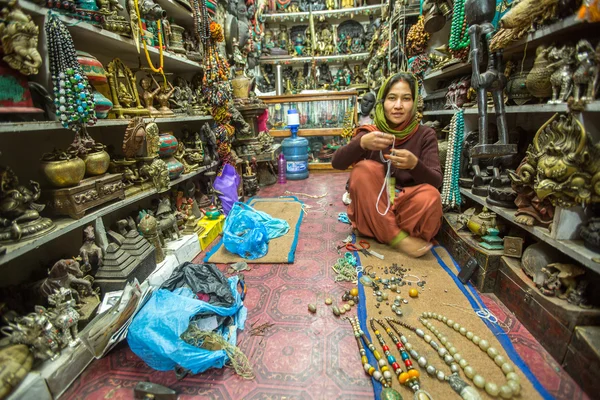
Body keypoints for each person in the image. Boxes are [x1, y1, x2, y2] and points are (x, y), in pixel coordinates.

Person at [332, 72, 442, 258]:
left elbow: (436, 181)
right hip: (373, 208)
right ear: (382, 102)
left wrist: (415, 165)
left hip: (404, 212)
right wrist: (361, 144)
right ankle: (397, 238)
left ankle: (382, 232)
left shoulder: (425, 135)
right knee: (364, 170)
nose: (398, 106)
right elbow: (337, 163)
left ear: (414, 103)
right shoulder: (371, 134)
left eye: (406, 99)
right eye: (392, 98)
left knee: (430, 196)